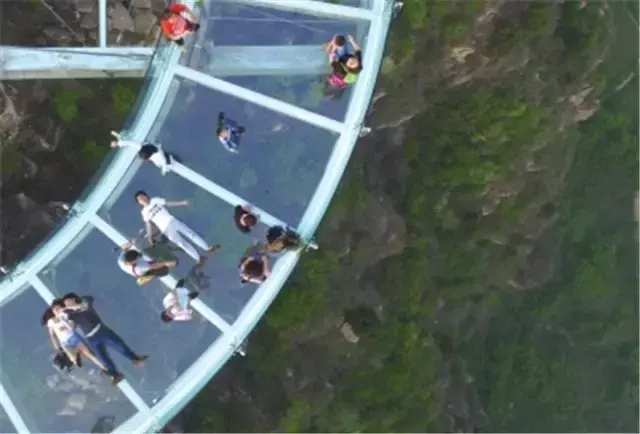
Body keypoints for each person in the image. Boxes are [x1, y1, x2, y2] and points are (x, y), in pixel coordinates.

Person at [61, 293, 147, 386]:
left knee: (118, 345)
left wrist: (70, 307)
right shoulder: (71, 314)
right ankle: (115, 374)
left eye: (67, 302)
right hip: (91, 337)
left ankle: (135, 359)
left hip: (100, 330)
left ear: (73, 299)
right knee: (103, 357)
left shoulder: (84, 300)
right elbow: (72, 326)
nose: (67, 305)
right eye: (65, 304)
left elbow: (85, 305)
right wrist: (65, 322)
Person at [135, 190, 220, 267]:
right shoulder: (144, 212)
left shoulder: (155, 200)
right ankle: (198, 258)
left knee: (190, 234)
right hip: (165, 229)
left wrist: (182, 203)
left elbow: (168, 203)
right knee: (182, 243)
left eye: (142, 196)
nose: (142, 199)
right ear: (139, 203)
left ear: (146, 196)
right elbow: (148, 224)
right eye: (139, 199)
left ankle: (207, 248)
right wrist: (150, 237)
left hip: (172, 220)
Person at [42, 300, 108, 372]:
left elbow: (72, 328)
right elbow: (52, 335)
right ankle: (77, 355)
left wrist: (64, 321)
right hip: (64, 342)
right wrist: (56, 346)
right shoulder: (50, 322)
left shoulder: (65, 315)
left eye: (59, 309)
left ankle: (105, 368)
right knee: (74, 359)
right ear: (53, 311)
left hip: (73, 337)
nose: (57, 311)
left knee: (88, 353)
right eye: (55, 310)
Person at [110, 131, 177, 176]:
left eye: (114, 143)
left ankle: (168, 163)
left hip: (148, 149)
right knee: (158, 162)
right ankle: (167, 164)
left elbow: (129, 142)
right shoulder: (122, 142)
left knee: (161, 160)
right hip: (148, 151)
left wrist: (116, 137)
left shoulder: (124, 141)